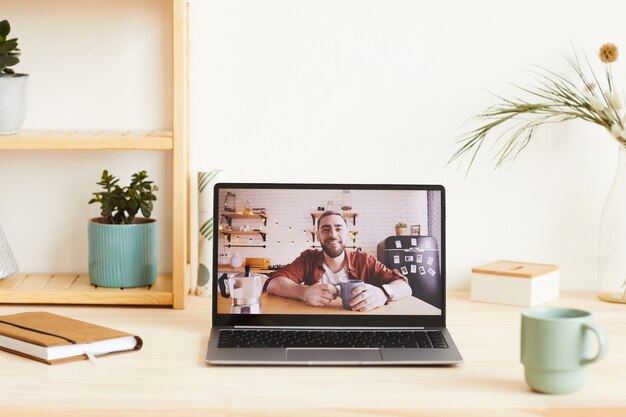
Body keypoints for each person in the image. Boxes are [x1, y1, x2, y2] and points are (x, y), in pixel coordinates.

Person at [267, 211, 412, 311]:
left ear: (347, 235)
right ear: (318, 236)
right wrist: (303, 292)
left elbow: (404, 286)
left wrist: (382, 294)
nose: (333, 235)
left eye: (338, 228)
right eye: (325, 229)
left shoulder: (365, 260)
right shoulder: (308, 258)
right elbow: (273, 283)